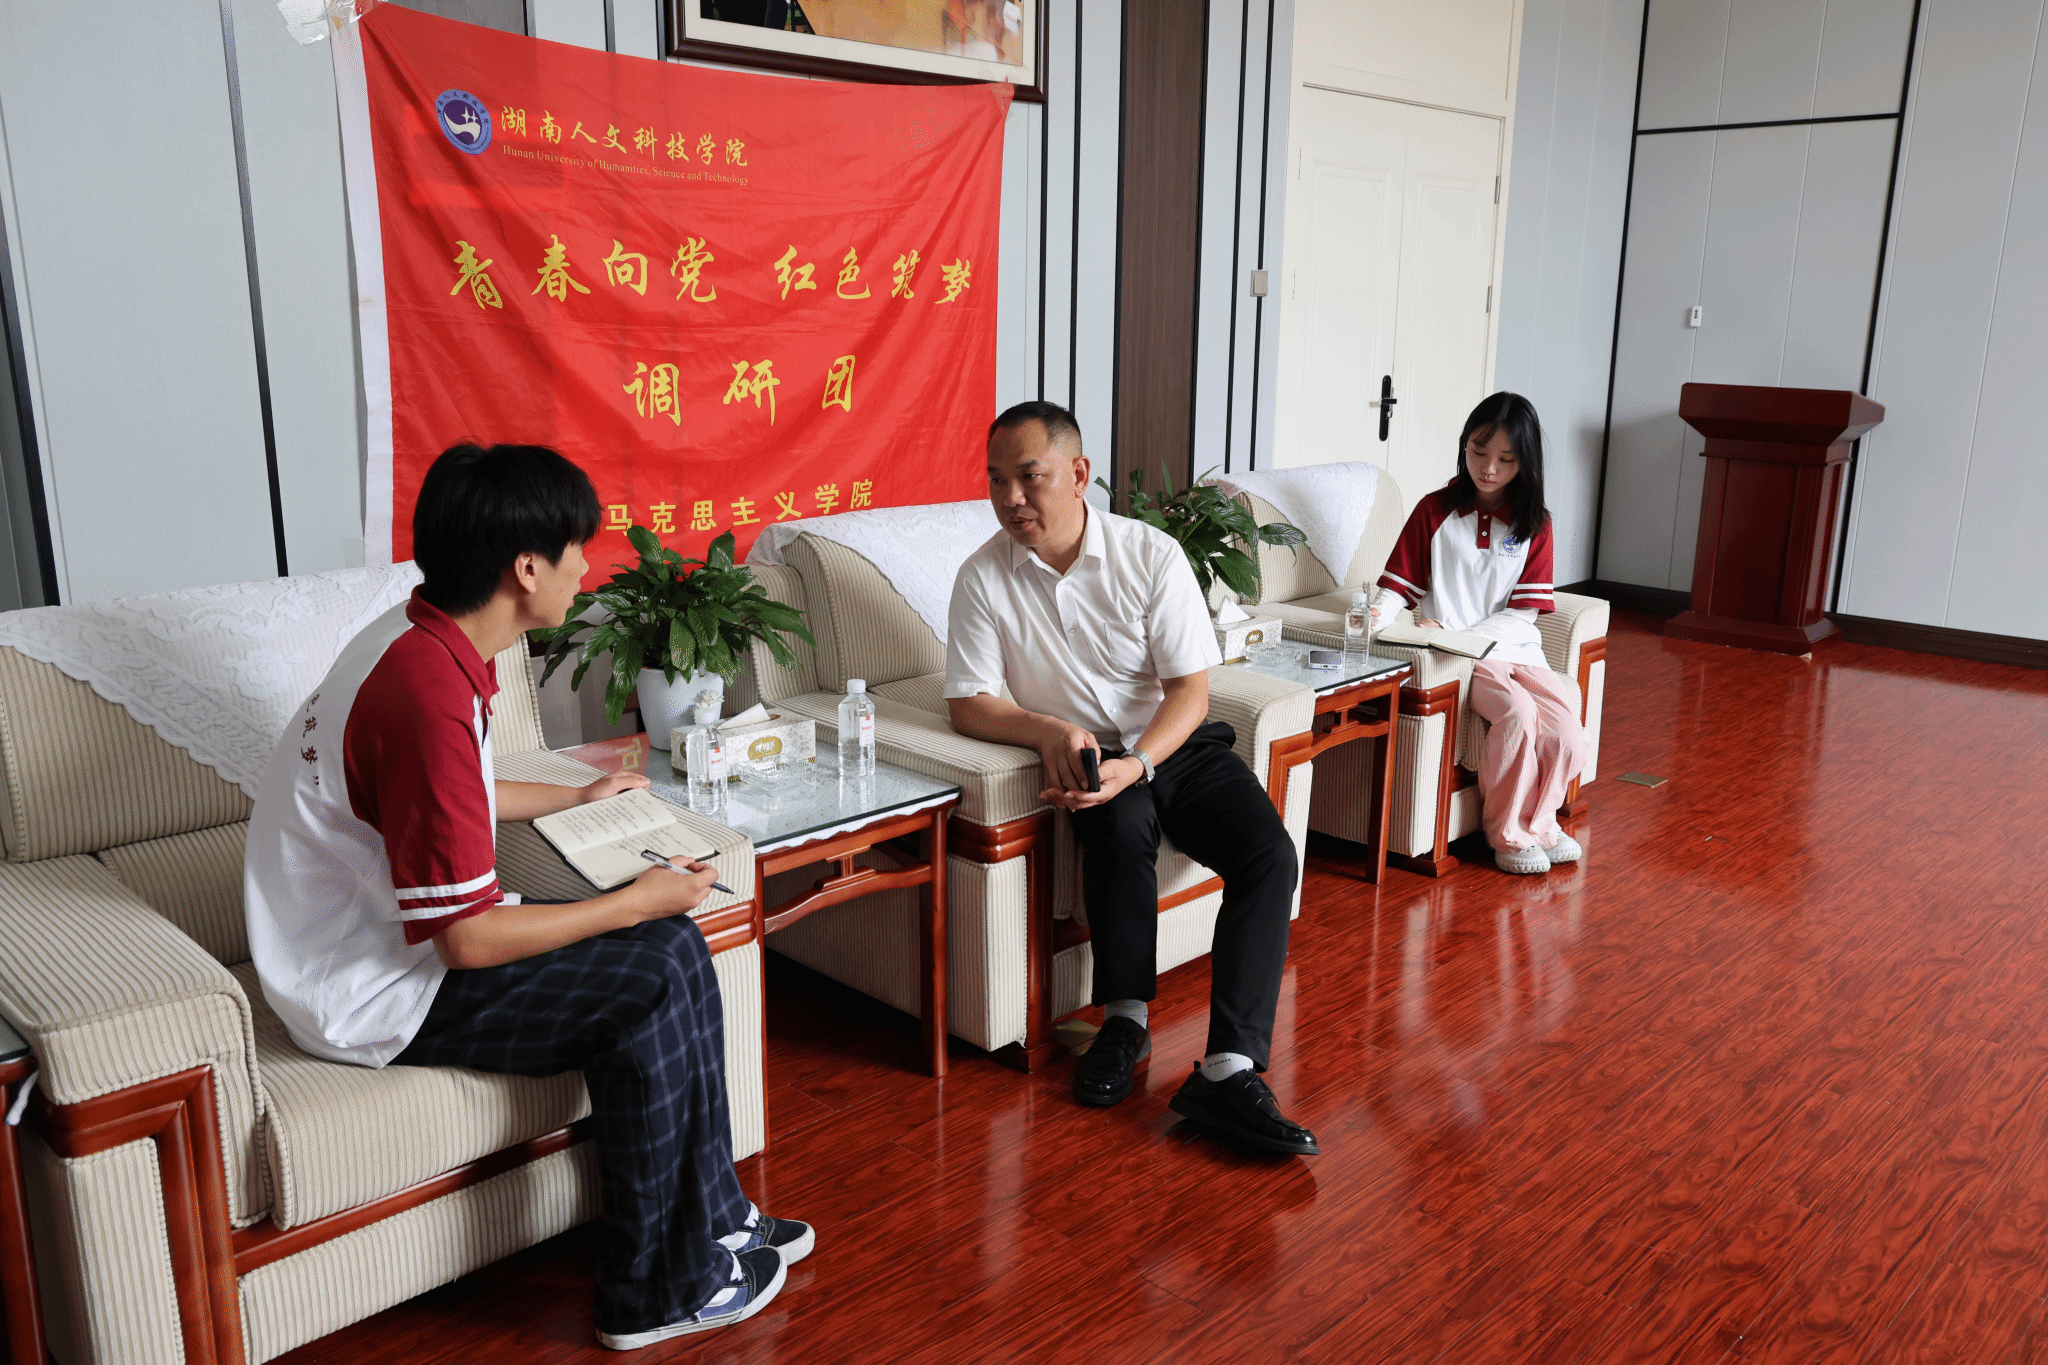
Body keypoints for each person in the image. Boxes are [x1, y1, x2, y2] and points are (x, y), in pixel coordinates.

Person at [243, 443, 812, 1349]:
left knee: (674, 944)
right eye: (576, 547)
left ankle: (712, 1217)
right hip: (371, 986)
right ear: (526, 567)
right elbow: (465, 940)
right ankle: (654, 1291)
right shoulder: (422, 691)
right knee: (653, 966)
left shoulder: (426, 636)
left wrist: (576, 796)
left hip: (383, 945)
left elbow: (452, 788)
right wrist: (636, 902)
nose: (587, 565)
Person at [943, 401, 1319, 1157]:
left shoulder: (1150, 555)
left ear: (1079, 473)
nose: (1011, 498)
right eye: (996, 480)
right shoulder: (982, 576)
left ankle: (1229, 1067)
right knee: (1118, 824)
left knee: (1269, 854)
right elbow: (968, 701)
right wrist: (1048, 731)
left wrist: (1140, 762)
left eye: (1029, 477)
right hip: (1084, 751)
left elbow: (1190, 691)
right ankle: (1124, 1022)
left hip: (1171, 743)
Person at [1375, 392, 1590, 875]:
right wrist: (1377, 614)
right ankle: (1507, 834)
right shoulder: (1433, 511)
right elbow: (1398, 587)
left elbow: (1524, 614)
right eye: (1478, 451)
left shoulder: (1536, 524)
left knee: (1567, 733)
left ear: (1525, 462)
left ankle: (1541, 825)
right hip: (1465, 659)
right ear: (1464, 446)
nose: (1489, 469)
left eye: (1506, 459)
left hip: (1519, 650)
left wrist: (1460, 631)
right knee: (1517, 718)